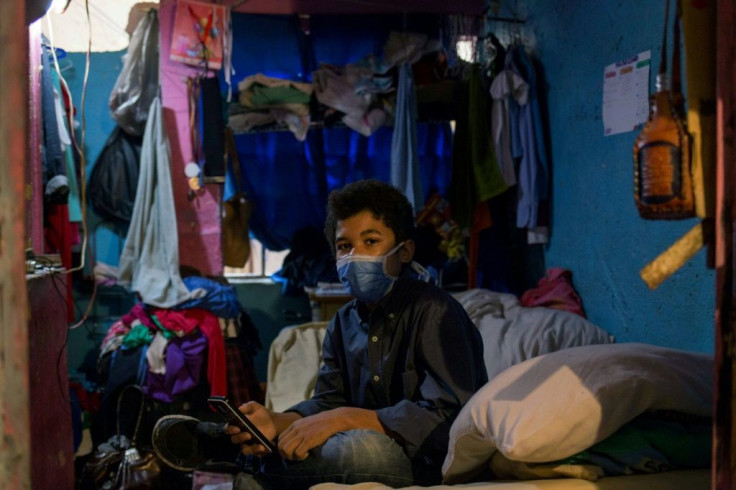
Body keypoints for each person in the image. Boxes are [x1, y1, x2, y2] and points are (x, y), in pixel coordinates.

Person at [153, 179, 487, 489]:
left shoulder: (436, 311)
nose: (355, 255)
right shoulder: (344, 322)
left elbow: (449, 418)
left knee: (360, 450)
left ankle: (226, 453)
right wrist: (277, 420)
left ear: (404, 251)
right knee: (293, 449)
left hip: (426, 460)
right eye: (344, 246)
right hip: (363, 439)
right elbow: (329, 400)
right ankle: (243, 449)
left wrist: (344, 419)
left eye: (371, 241)